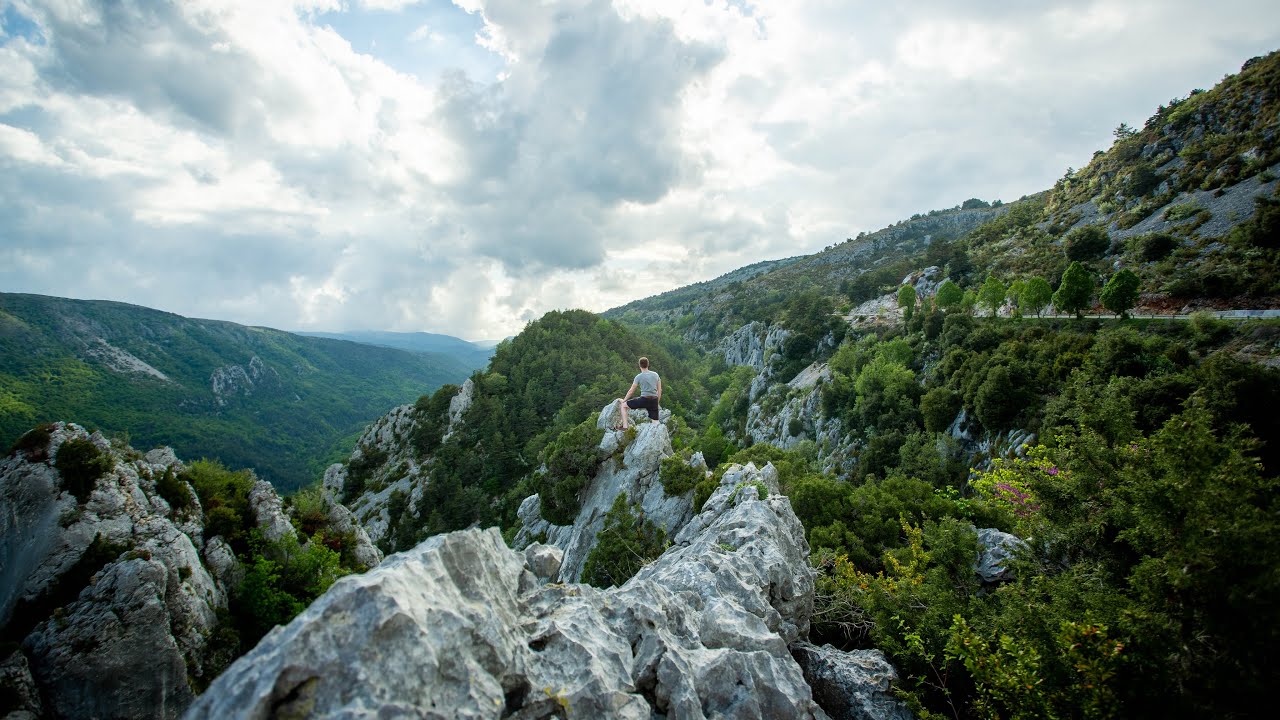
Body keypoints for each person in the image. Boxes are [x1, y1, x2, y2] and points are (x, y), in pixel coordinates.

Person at [616, 357, 661, 430]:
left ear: (639, 366)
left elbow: (631, 391)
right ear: (648, 364)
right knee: (655, 422)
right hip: (654, 400)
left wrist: (624, 400)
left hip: (644, 400)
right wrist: (657, 402)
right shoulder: (656, 375)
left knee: (623, 406)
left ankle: (625, 427)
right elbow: (659, 390)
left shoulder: (638, 377)